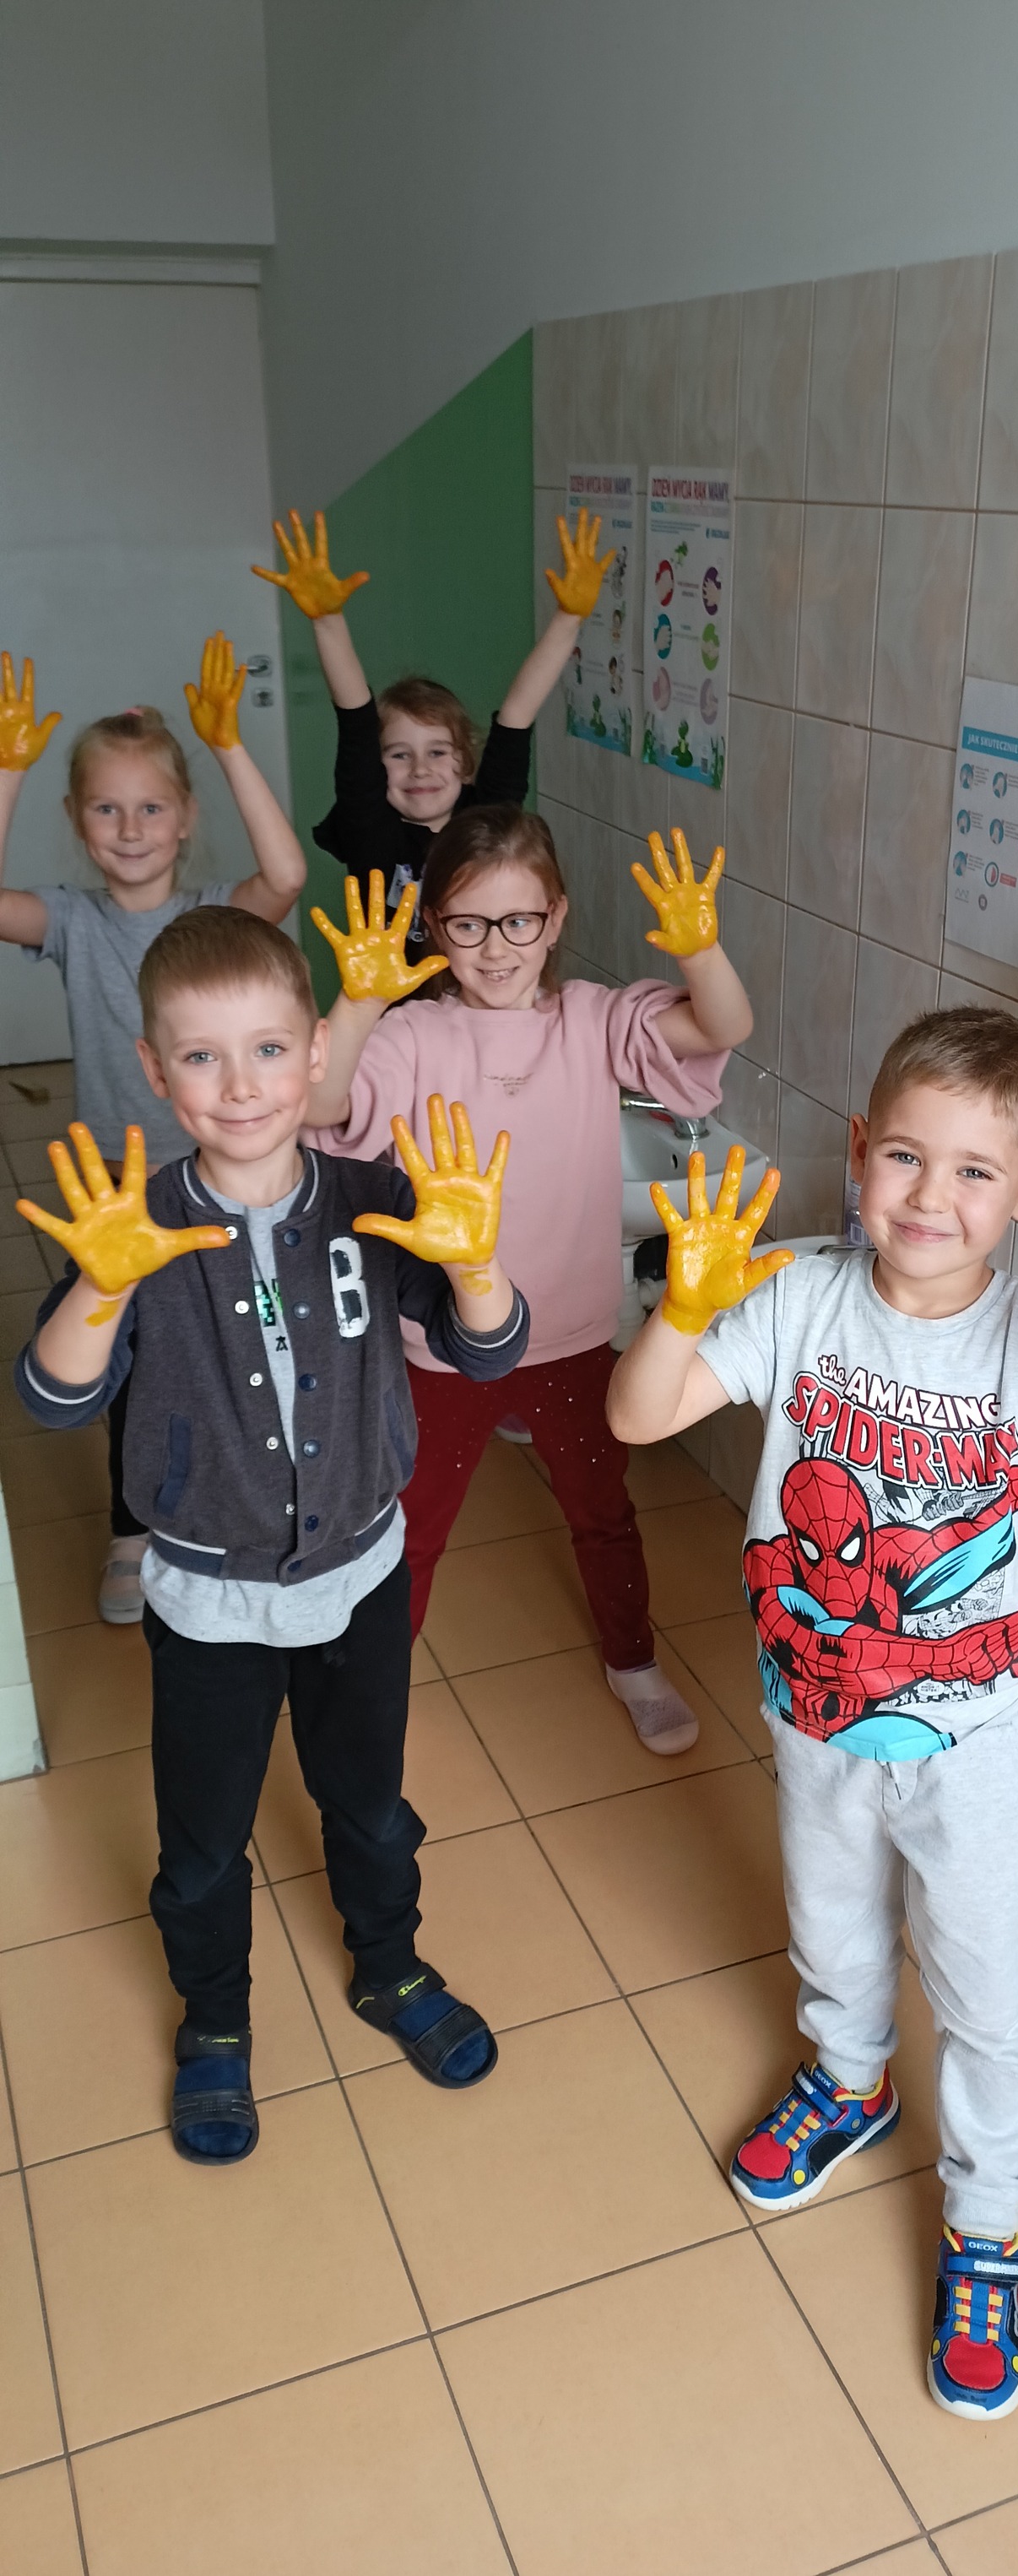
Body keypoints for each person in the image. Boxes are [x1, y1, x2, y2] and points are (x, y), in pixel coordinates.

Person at [607, 1004, 1018, 2421]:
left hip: (972, 1757)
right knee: (833, 1925)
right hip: (813, 1723)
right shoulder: (799, 1297)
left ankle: (986, 2220)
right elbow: (637, 1419)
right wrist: (684, 1308)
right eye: (905, 1155)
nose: (929, 1196)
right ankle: (849, 2080)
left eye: (975, 1170)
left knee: (988, 1993)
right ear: (858, 1151)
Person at [14, 905, 529, 2165]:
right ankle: (215, 2018)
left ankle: (391, 1965)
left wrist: (476, 1267)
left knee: (371, 1806)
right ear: (153, 1069)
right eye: (201, 1056)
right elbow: (53, 1398)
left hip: (360, 1573)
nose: (238, 1085)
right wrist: (105, 1285)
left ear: (313, 1055)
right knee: (201, 1844)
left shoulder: (371, 1195)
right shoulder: (136, 1225)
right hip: (208, 1600)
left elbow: (487, 1350)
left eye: (264, 1051)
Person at [305, 810, 752, 1756]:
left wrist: (701, 949)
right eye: (468, 923)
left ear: (555, 919)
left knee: (602, 1511)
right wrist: (355, 1003)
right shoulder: (410, 1033)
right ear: (434, 924)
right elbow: (322, 1104)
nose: (495, 947)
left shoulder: (593, 1019)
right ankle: (376, 1688)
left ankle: (632, 1661)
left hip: (572, 1333)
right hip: (444, 1338)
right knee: (412, 1527)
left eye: (517, 921)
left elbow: (722, 1025)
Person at [0, 639, 307, 1623]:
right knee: (131, 1361)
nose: (130, 828)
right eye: (106, 808)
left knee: (238, 1345)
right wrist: (7, 769)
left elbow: (286, 874)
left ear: (184, 818)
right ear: (75, 820)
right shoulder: (71, 920)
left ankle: (257, 1499)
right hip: (120, 1193)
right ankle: (132, 1529)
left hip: (222, 1182)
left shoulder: (214, 914)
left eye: (151, 807)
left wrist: (228, 747)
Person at [252, 504, 614, 919]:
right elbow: (354, 717)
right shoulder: (369, 826)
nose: (420, 770)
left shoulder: (486, 821)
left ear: (465, 764)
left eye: (438, 752)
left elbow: (517, 716)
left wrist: (569, 619)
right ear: (376, 766)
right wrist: (326, 621)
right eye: (399, 754)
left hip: (484, 965)